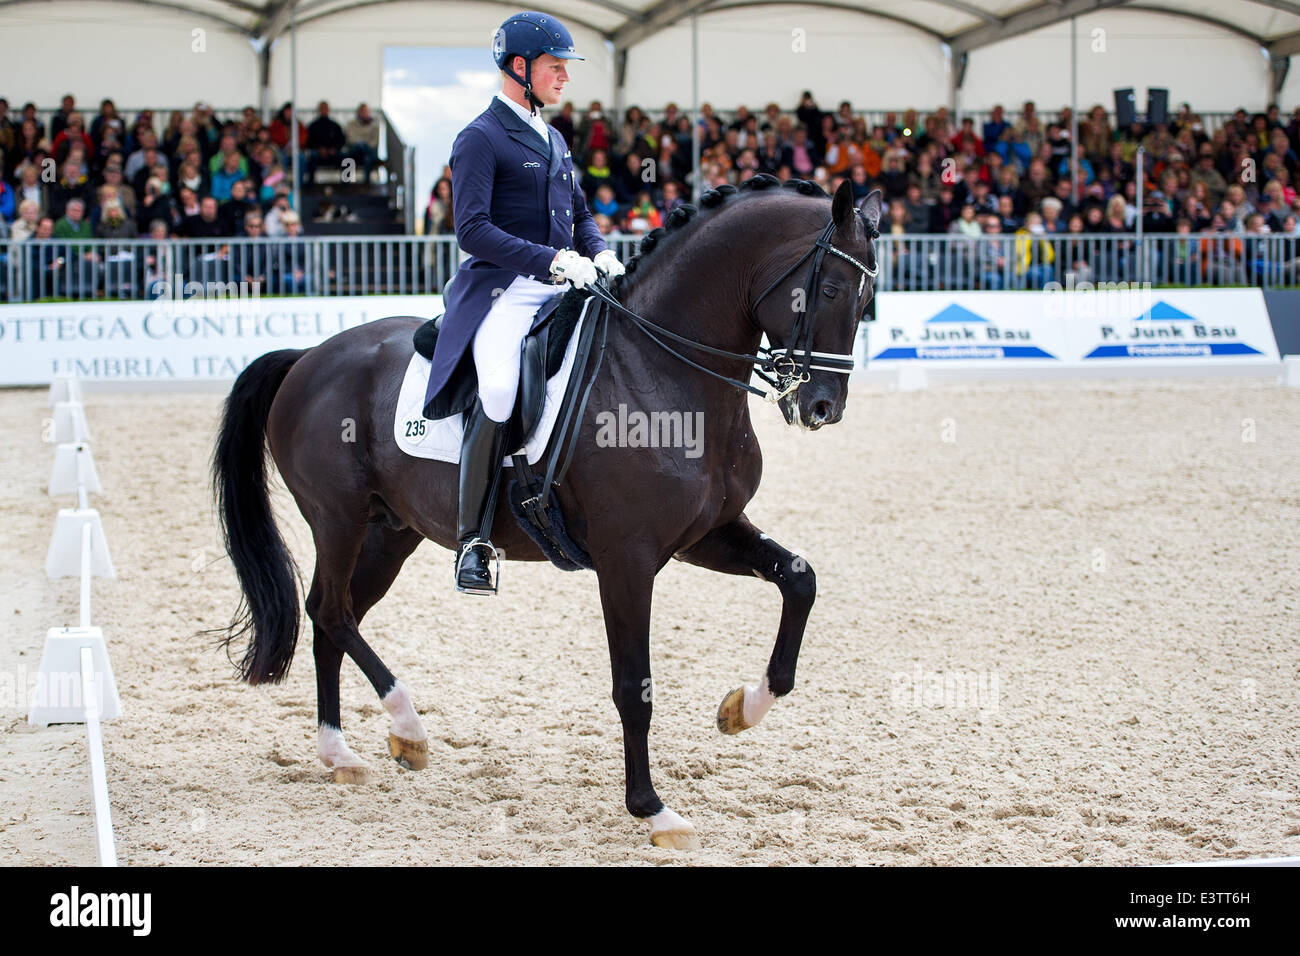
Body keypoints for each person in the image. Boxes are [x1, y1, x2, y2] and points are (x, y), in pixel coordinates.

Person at [421, 9, 624, 595]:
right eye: (554, 66)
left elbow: (580, 214)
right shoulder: (480, 137)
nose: (564, 77)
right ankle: (474, 543)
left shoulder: (553, 137)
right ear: (519, 67)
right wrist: (550, 260)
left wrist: (599, 251)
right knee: (501, 387)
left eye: (565, 67)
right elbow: (473, 230)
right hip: (502, 290)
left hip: (564, 279)